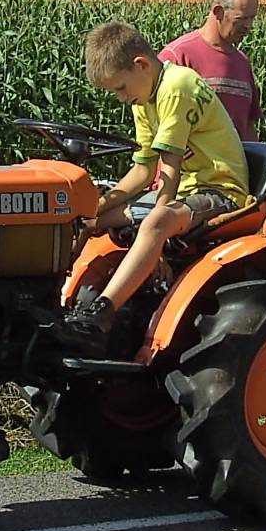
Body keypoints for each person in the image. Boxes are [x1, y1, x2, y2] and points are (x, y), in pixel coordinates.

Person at [57, 21, 250, 354]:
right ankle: (63, 305)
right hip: (187, 191)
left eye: (119, 88)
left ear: (141, 65)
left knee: (156, 222)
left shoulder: (177, 86)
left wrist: (157, 228)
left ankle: (100, 314)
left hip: (219, 191)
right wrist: (94, 209)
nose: (120, 98)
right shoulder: (143, 98)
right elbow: (144, 171)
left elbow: (169, 172)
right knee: (93, 223)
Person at [159, 0, 261, 141]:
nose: (248, 26)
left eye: (252, 18)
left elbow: (247, 128)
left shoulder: (242, 64)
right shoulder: (177, 56)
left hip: (235, 166)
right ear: (218, 12)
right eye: (241, 18)